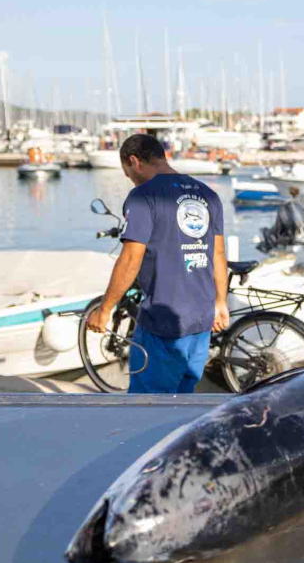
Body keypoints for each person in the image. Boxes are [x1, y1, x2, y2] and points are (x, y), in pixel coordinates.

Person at [85, 133, 229, 393]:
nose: (131, 179)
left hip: (163, 322)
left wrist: (105, 309)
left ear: (134, 161)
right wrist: (220, 303)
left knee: (147, 405)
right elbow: (218, 254)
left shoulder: (143, 196)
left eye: (128, 173)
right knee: (181, 402)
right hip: (201, 319)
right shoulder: (208, 194)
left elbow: (131, 258)